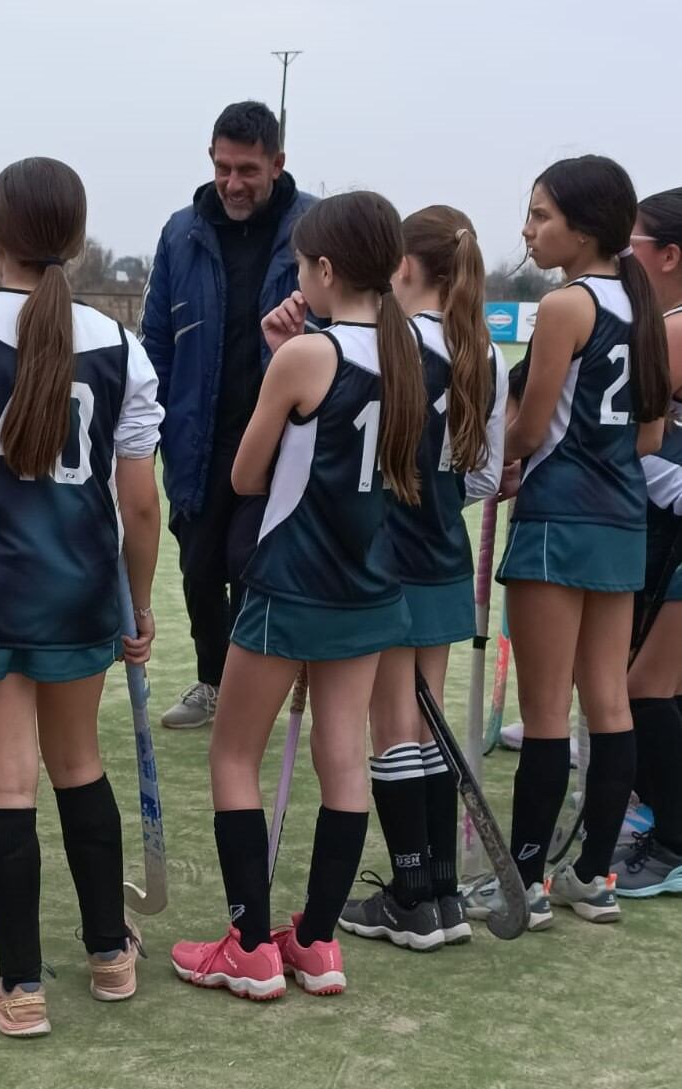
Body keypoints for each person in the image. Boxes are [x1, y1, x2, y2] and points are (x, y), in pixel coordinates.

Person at [0, 157, 163, 1037]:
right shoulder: (121, 345)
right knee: (78, 765)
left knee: (5, 785)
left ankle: (19, 986)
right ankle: (110, 955)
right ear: (79, 240)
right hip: (80, 592)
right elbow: (139, 501)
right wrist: (139, 601)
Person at [170, 191, 425, 1000]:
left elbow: (247, 475)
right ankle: (316, 942)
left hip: (291, 584)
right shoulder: (410, 351)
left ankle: (247, 944)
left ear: (321, 268)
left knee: (232, 753)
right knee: (344, 756)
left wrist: (285, 354)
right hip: (368, 586)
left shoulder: (307, 355)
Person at [464, 156, 670, 928]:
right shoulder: (641, 303)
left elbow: (524, 427)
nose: (528, 228)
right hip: (622, 519)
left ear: (584, 227)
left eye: (541, 214)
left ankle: (525, 882)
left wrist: (493, 455)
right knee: (607, 703)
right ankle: (592, 875)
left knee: (547, 710)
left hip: (558, 519)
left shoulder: (564, 307)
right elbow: (649, 434)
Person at [338, 206, 506, 952]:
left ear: (404, 265)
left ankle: (413, 897)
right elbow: (488, 475)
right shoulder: (483, 348)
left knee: (393, 727)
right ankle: (440, 893)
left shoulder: (391, 339)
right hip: (443, 550)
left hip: (387, 556)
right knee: (428, 720)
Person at [140, 100, 317, 729]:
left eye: (247, 169)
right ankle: (212, 681)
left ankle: (252, 689)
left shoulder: (315, 230)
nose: (234, 184)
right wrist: (150, 427)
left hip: (286, 441)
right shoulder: (180, 231)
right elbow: (156, 339)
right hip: (198, 437)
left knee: (256, 567)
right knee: (197, 569)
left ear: (278, 163)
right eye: (223, 168)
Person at [617, 186, 682, 896]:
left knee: (643, 687)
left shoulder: (669, 329)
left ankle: (670, 841)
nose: (623, 253)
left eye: (632, 241)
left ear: (668, 256)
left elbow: (635, 434)